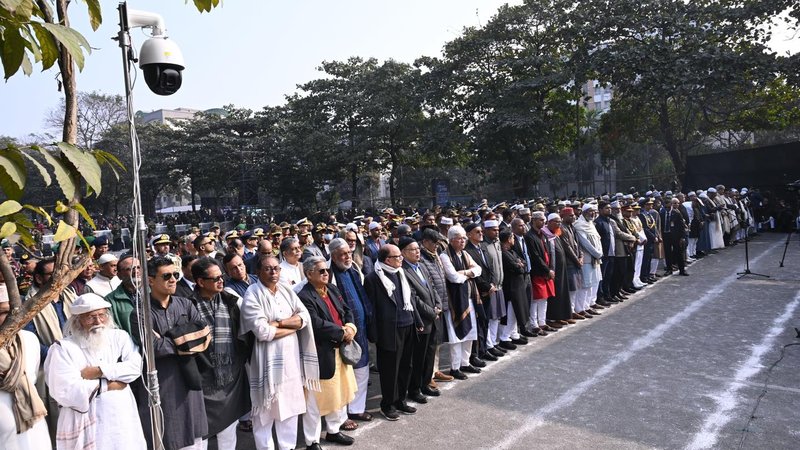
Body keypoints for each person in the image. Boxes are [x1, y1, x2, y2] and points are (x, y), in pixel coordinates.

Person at [44, 293, 146, 449]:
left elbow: (135, 367)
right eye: (91, 317)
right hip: (86, 416)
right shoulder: (63, 348)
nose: (98, 322)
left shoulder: (119, 337)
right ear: (78, 321)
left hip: (121, 414)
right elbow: (63, 389)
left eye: (102, 315)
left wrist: (99, 371)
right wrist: (107, 385)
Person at [240, 255, 320, 450]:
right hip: (264, 362)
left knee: (290, 410)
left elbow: (304, 318)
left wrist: (279, 323)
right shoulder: (252, 294)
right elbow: (263, 332)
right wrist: (291, 324)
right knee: (265, 414)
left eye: (276, 268)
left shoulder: (286, 290)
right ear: (258, 272)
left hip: (291, 361)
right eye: (267, 269)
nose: (273, 272)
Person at [130, 256, 209, 450]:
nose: (173, 279)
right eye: (166, 276)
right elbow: (154, 347)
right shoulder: (140, 313)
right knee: (170, 438)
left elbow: (204, 337)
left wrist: (169, 339)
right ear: (150, 280)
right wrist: (185, 338)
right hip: (164, 384)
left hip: (190, 381)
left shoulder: (186, 304)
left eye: (176, 274)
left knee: (198, 439)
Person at [189, 257, 252, 450]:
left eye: (222, 277)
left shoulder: (230, 300)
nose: (221, 281)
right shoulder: (188, 306)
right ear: (200, 282)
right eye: (215, 278)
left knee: (229, 429)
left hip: (231, 376)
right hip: (203, 379)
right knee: (201, 433)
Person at [297, 256, 358, 447]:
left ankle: (333, 430)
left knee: (337, 394)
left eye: (327, 270)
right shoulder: (304, 296)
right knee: (315, 401)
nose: (326, 273)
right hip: (321, 353)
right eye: (321, 271)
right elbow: (316, 324)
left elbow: (347, 310)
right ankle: (312, 441)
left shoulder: (331, 288)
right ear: (309, 274)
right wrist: (342, 332)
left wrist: (350, 327)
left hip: (340, 349)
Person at [363, 244, 423, 420]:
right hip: (389, 331)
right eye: (397, 257)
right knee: (390, 370)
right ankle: (387, 404)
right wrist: (374, 335)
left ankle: (400, 400)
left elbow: (410, 300)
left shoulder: (401, 273)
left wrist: (417, 321)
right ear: (387, 260)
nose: (401, 259)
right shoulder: (373, 278)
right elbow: (371, 309)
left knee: (406, 366)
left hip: (408, 325)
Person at [0, 270, 52, 450]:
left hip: (34, 423)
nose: (8, 318)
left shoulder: (29, 339)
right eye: (1, 312)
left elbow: (31, 377)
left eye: (11, 312)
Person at [328, 238, 374, 424]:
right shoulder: (329, 273)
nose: (347, 257)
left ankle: (357, 409)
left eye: (348, 253)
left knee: (362, 370)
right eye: (343, 254)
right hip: (343, 332)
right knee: (343, 375)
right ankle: (342, 415)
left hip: (360, 329)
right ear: (333, 256)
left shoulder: (353, 268)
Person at [399, 237, 443, 404]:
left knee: (430, 353)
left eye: (418, 248)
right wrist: (432, 312)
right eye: (413, 249)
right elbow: (414, 298)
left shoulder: (421, 266)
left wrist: (438, 305)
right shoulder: (404, 271)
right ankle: (415, 389)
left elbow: (432, 288)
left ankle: (425, 383)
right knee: (418, 357)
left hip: (433, 316)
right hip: (421, 319)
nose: (417, 252)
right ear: (403, 253)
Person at [439, 226, 482, 380]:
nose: (463, 241)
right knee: (456, 336)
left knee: (470, 333)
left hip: (468, 297)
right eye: (459, 238)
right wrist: (469, 274)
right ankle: (455, 367)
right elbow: (453, 278)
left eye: (464, 237)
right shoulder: (445, 256)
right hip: (454, 302)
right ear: (451, 240)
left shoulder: (464, 254)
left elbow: (478, 270)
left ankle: (465, 362)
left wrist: (464, 272)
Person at [104, 254, 140, 334]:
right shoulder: (110, 300)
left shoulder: (154, 292)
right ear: (119, 275)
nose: (136, 272)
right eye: (130, 269)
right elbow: (113, 329)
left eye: (138, 267)